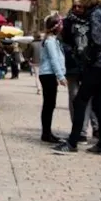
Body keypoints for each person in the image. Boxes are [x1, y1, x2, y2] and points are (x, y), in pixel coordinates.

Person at [54, 0, 101, 155]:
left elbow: (96, 40)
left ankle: (73, 141)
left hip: (98, 64)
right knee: (99, 103)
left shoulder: (96, 15)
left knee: (81, 100)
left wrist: (87, 57)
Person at [62, 0, 98, 139]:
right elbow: (62, 42)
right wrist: (70, 51)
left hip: (88, 64)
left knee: (89, 97)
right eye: (74, 6)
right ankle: (78, 129)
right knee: (73, 97)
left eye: (80, 6)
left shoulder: (91, 20)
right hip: (72, 65)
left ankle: (91, 127)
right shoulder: (67, 22)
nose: (77, 8)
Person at [37, 14, 67, 143]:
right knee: (49, 105)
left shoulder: (53, 40)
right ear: (56, 27)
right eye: (60, 24)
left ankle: (47, 132)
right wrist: (60, 76)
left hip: (49, 75)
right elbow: (54, 60)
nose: (62, 27)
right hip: (48, 74)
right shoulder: (50, 41)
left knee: (50, 104)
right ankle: (46, 133)